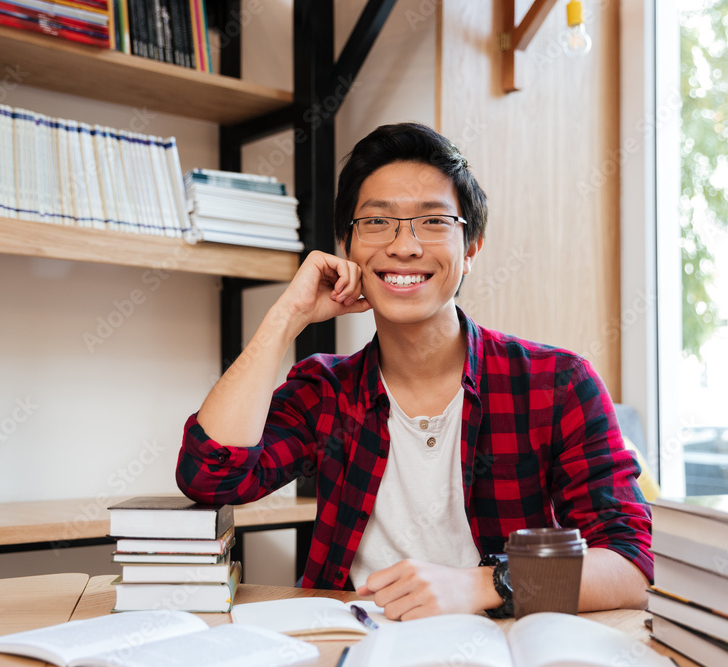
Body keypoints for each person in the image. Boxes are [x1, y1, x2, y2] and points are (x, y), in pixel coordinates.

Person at [176, 122, 652, 620]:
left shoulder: (557, 384)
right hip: (349, 643)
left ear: (471, 249)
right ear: (347, 245)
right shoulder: (326, 391)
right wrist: (285, 318)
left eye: (433, 222)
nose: (404, 247)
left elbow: (630, 563)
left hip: (499, 645)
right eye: (378, 223)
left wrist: (485, 586)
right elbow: (210, 475)